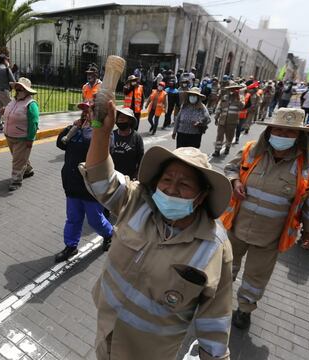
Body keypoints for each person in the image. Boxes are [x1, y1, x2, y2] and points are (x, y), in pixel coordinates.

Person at [80, 99, 234, 360]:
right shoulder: (138, 200)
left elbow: (215, 322)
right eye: (166, 180)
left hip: (150, 352)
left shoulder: (214, 247)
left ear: (201, 196)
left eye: (184, 184)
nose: (172, 190)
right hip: (107, 330)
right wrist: (102, 131)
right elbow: (99, 179)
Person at [222, 108, 309, 329]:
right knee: (226, 266)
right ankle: (217, 301)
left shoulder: (308, 165)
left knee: (256, 276)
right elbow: (231, 167)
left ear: (299, 136)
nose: (283, 135)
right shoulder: (251, 151)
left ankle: (245, 309)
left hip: (270, 236)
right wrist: (235, 181)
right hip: (237, 225)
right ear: (269, 131)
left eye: (289, 132)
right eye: (279, 129)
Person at [55, 105, 113, 262]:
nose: (87, 114)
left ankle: (109, 234)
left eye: (91, 111)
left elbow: (107, 148)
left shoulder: (103, 132)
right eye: (85, 111)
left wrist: (94, 128)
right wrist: (71, 128)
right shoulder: (76, 129)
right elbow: (60, 144)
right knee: (73, 218)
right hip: (72, 182)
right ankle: (71, 246)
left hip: (91, 186)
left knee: (94, 219)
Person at [3, 77, 39, 191]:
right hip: (10, 135)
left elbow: (34, 123)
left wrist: (30, 139)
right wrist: (5, 111)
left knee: (17, 160)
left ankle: (16, 181)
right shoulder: (14, 101)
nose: (18, 91)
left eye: (21, 89)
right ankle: (28, 170)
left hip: (22, 138)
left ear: (27, 90)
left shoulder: (31, 104)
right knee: (19, 157)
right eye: (17, 88)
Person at [111, 107, 144, 179]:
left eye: (123, 118)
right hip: (113, 176)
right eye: (119, 118)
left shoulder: (136, 137)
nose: (120, 120)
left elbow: (141, 159)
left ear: (130, 121)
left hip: (129, 177)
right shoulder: (112, 135)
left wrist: (137, 175)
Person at [213, 83, 244, 157]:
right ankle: (217, 150)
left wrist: (238, 98)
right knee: (219, 136)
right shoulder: (224, 97)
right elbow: (219, 107)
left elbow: (242, 107)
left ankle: (227, 147)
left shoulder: (240, 98)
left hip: (232, 122)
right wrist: (216, 117)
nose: (232, 91)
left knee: (229, 136)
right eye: (231, 89)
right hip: (222, 121)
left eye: (234, 89)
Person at [0, 54, 16, 132]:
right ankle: (10, 125)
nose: (8, 61)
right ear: (4, 61)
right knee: (10, 107)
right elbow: (13, 81)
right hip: (4, 90)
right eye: (7, 60)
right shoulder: (6, 69)